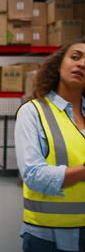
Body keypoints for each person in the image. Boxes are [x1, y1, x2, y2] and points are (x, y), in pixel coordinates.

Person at [15, 37, 85, 252]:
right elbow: (34, 176)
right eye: (75, 57)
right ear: (59, 64)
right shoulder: (33, 112)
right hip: (49, 234)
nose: (82, 64)